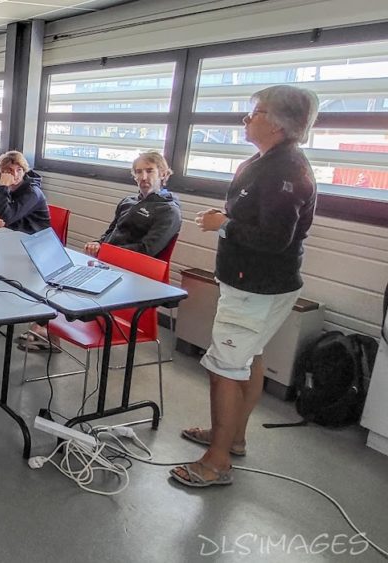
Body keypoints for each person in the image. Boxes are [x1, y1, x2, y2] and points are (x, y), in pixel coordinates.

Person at [172, 85, 319, 488]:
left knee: (223, 369)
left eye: (254, 112)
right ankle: (232, 437)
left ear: (276, 122)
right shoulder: (268, 161)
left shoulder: (284, 169)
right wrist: (228, 218)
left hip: (255, 287)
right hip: (260, 283)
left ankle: (216, 461)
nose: (246, 118)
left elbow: (276, 238)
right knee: (249, 358)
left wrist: (225, 225)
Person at [18, 150, 181, 352]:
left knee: (65, 286)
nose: (143, 177)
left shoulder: (168, 211)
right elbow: (111, 232)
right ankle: (48, 329)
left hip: (133, 278)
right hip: (107, 265)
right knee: (53, 274)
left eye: (150, 171)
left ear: (164, 174)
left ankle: (47, 328)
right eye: (138, 172)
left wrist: (105, 252)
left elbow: (146, 251)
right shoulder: (128, 201)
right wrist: (98, 243)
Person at [0, 150, 49, 234]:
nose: (15, 174)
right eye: (10, 170)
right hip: (10, 233)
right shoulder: (3, 186)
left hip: (33, 238)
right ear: (3, 172)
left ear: (24, 171)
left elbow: (5, 218)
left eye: (19, 170)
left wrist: (3, 187)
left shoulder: (32, 192)